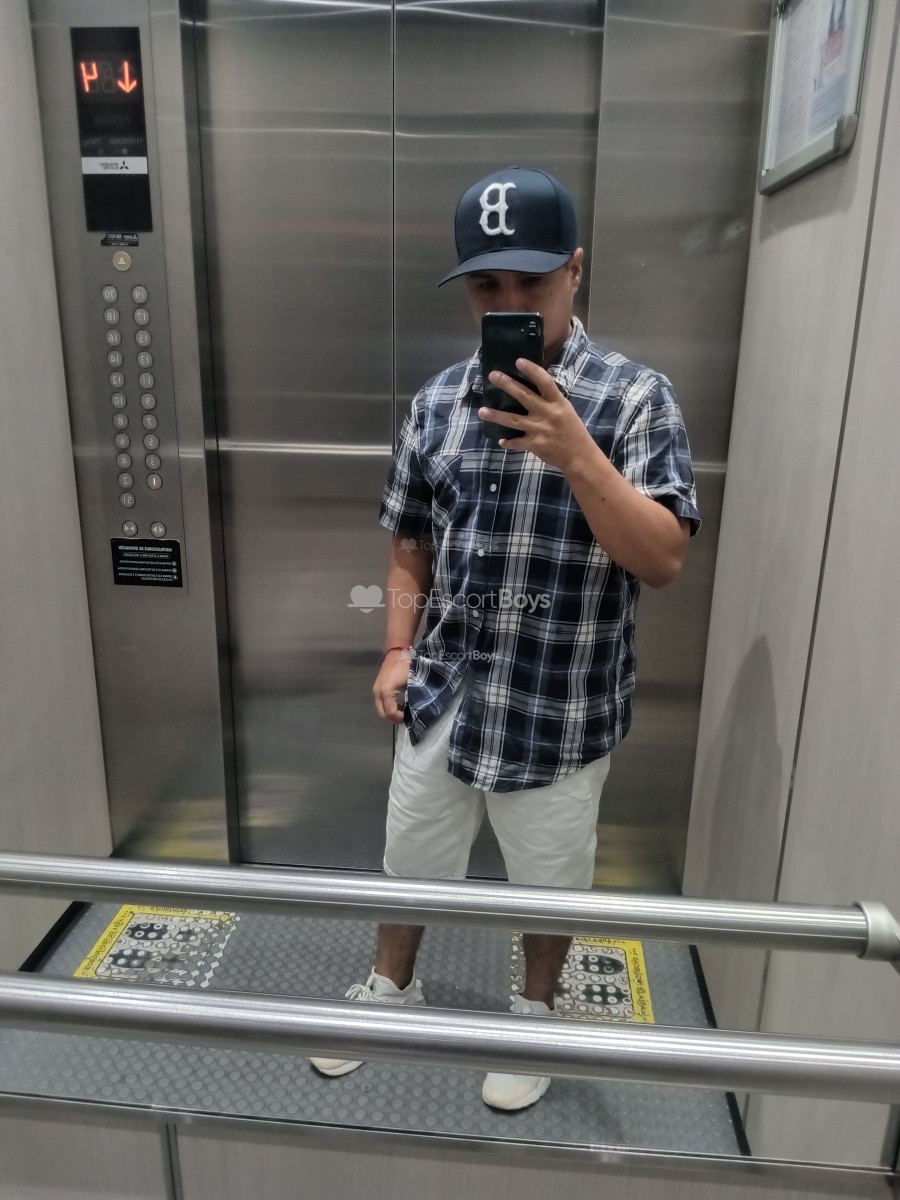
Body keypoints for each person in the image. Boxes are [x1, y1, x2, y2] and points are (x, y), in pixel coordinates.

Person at [311, 167, 700, 1110]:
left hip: (559, 706)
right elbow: (409, 541)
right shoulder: (438, 401)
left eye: (533, 280)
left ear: (577, 271)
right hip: (444, 689)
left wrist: (577, 454)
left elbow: (662, 558)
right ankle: (392, 990)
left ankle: (534, 1015)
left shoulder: (636, 400)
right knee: (411, 860)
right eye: (488, 284)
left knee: (547, 883)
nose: (511, 302)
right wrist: (396, 649)